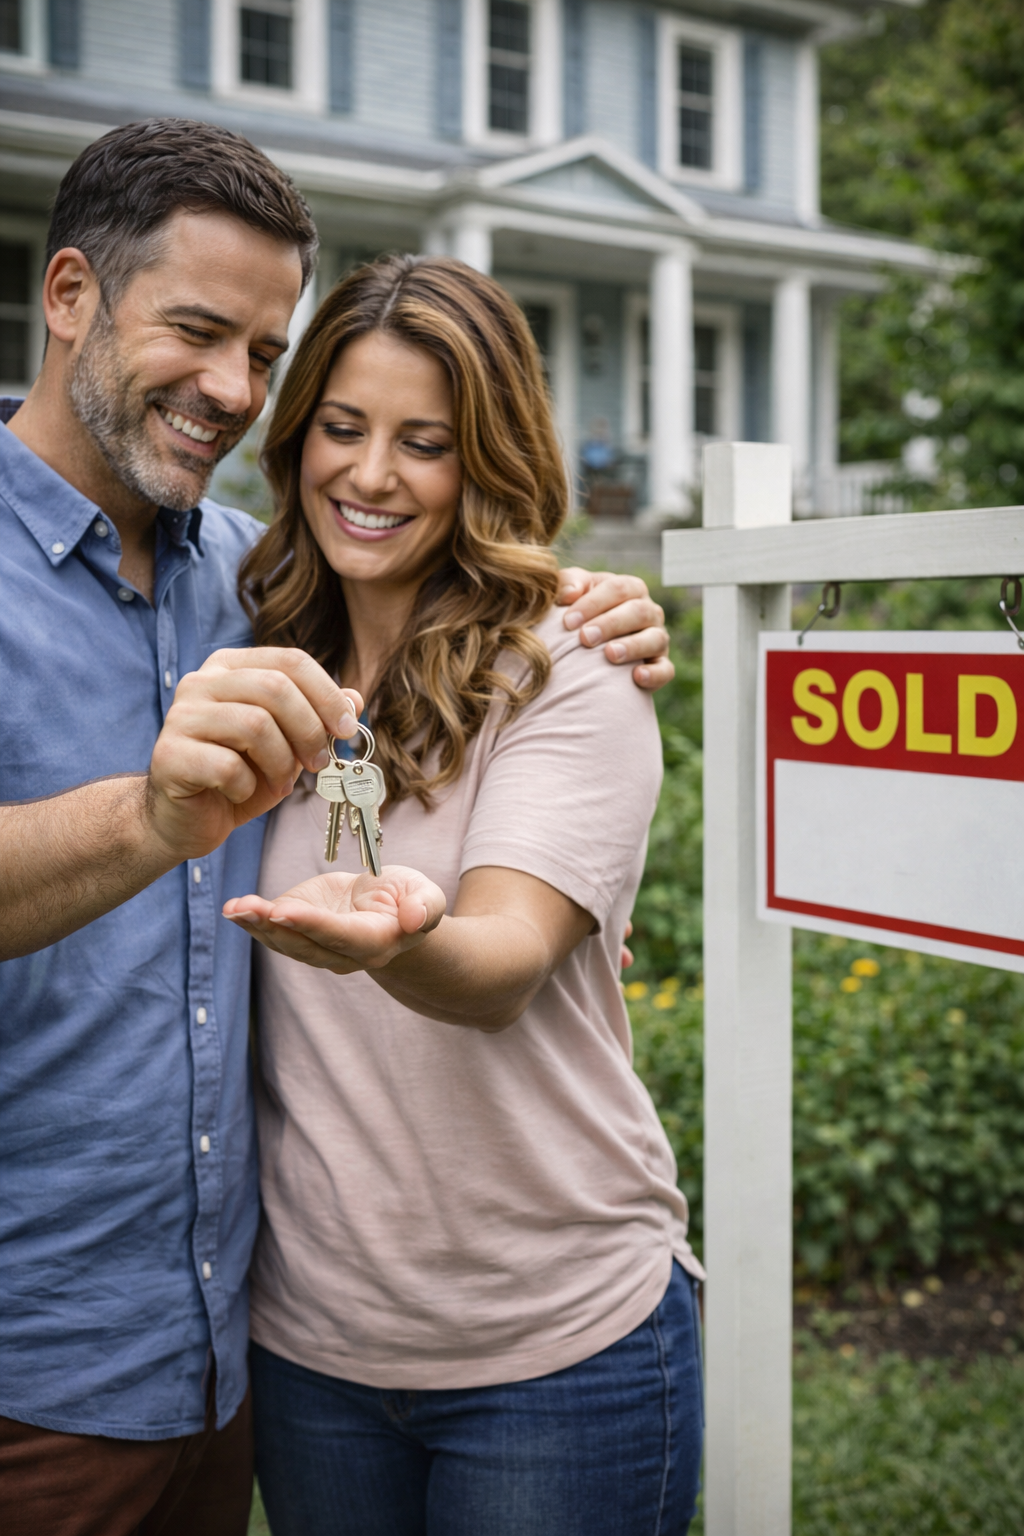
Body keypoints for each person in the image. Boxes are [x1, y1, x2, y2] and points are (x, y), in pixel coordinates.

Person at [0, 120, 676, 1534]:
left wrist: (592, 615)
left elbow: (497, 948)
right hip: (52, 1359)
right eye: (198, 330)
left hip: (238, 1365)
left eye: (262, 353)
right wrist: (148, 815)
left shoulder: (239, 587)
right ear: (69, 298)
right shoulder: (260, 603)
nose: (232, 391)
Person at [224, 254, 705, 1536]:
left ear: (483, 460)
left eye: (423, 443)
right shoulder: (253, 651)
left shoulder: (566, 666)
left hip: (554, 1351)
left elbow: (499, 962)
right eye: (341, 427)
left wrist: (397, 938)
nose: (370, 475)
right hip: (313, 1346)